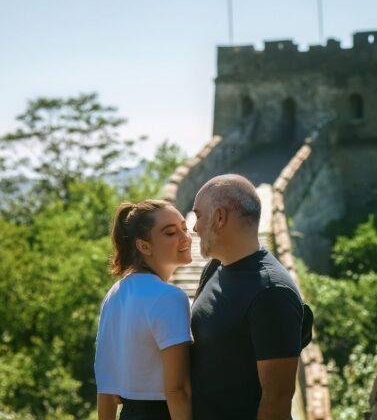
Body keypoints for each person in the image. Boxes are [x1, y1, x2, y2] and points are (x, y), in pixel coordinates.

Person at [190, 174, 304, 420]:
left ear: (220, 217)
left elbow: (277, 400)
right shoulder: (214, 268)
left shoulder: (271, 292)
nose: (195, 227)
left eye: (199, 215)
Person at [95, 200, 194, 420]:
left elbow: (105, 387)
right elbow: (177, 390)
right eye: (170, 233)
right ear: (144, 246)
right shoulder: (170, 297)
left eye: (184, 228)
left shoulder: (114, 294)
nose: (185, 237)